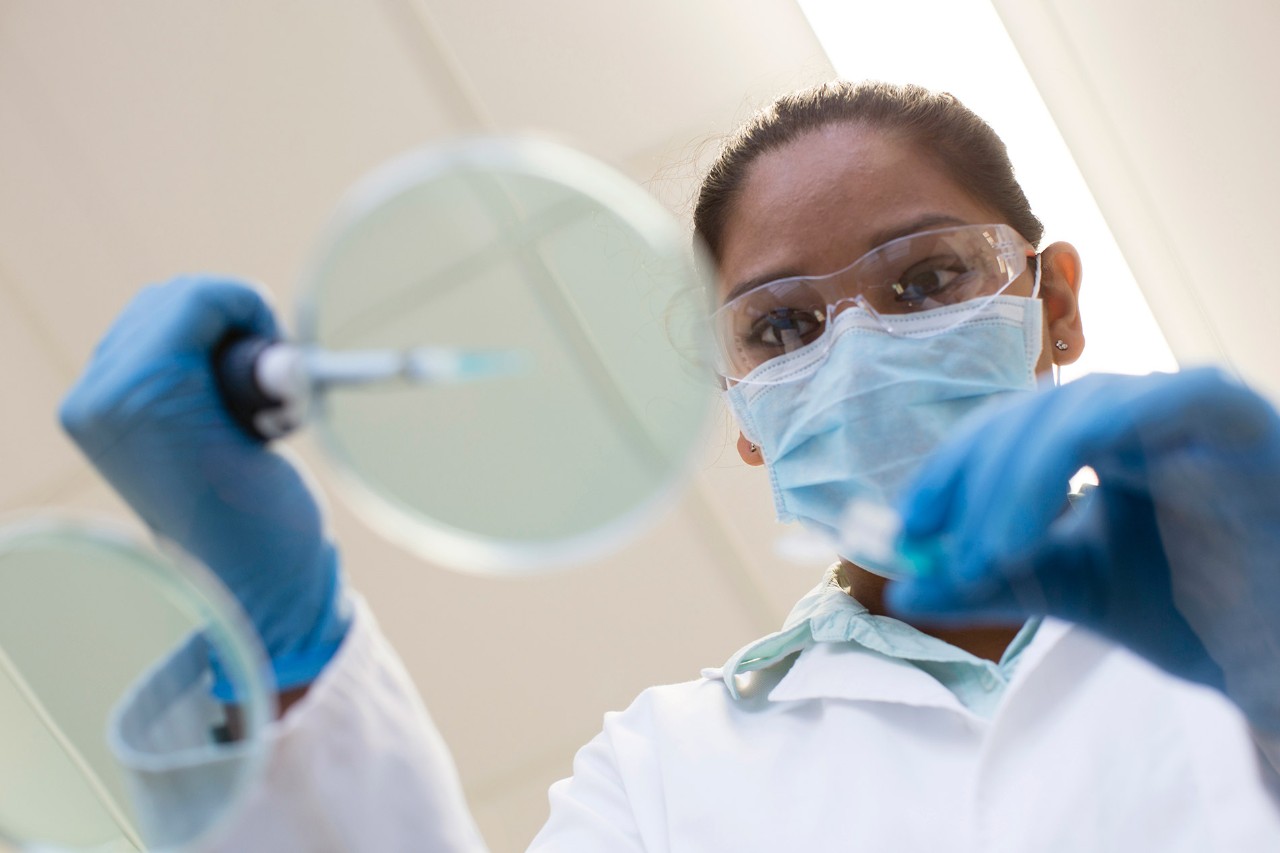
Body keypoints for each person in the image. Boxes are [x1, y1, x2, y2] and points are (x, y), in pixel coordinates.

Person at [60, 81, 1280, 851]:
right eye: (781, 328)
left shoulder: (1255, 592)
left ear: (1052, 303)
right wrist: (284, 654)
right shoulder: (661, 780)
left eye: (923, 280)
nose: (856, 351)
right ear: (743, 410)